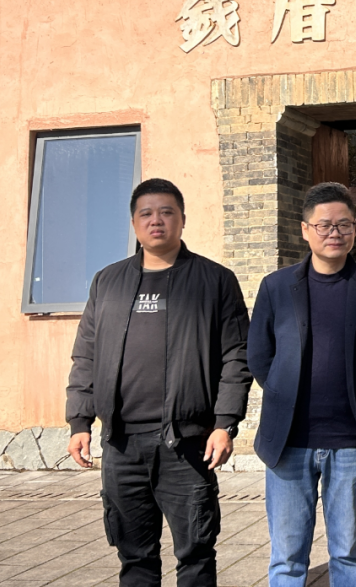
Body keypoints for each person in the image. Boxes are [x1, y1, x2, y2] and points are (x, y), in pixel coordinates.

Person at [66, 178, 252, 587]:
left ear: (182, 220)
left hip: (186, 444)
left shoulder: (215, 281)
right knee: (134, 558)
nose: (157, 221)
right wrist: (80, 422)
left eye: (167, 212)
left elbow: (237, 357)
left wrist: (225, 423)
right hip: (122, 445)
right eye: (146, 213)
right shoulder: (107, 282)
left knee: (196, 555)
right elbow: (86, 357)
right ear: (134, 223)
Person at [248, 183, 356, 587]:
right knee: (287, 556)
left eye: (344, 224)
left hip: (350, 439)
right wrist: (284, 393)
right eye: (324, 225)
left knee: (348, 552)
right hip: (288, 440)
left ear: (354, 228)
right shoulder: (276, 286)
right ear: (305, 229)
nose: (335, 233)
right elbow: (259, 354)